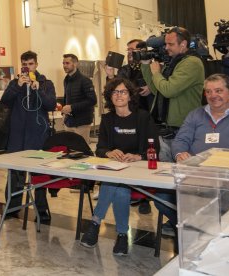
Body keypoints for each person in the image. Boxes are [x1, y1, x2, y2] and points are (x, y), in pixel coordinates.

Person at [80, 78, 159, 256]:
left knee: (114, 184)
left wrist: (138, 156)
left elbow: (155, 149)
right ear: (110, 96)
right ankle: (122, 235)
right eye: (115, 92)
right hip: (115, 170)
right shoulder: (107, 119)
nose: (119, 95)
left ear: (130, 95)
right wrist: (108, 152)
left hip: (138, 170)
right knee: (119, 187)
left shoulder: (143, 117)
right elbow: (100, 148)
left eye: (123, 91)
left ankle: (95, 223)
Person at [154, 73, 229, 233]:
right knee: (162, 197)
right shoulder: (196, 114)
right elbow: (180, 140)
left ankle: (209, 232)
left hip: (227, 180)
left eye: (218, 90)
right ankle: (198, 229)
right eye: (209, 92)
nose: (213, 96)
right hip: (195, 176)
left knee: (219, 205)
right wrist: (179, 153)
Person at [1, 50, 56, 221]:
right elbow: (5, 101)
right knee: (15, 174)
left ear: (36, 65)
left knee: (39, 176)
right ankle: (12, 206)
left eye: (31, 64)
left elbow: (51, 104)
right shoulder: (14, 83)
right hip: (18, 136)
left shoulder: (46, 83)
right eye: (24, 65)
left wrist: (38, 90)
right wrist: (17, 86)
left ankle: (41, 209)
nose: (27, 67)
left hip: (38, 136)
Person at [141, 27, 204, 162]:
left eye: (170, 44)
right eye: (165, 44)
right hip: (164, 130)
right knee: (164, 176)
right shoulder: (173, 62)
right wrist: (146, 66)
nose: (166, 48)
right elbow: (156, 89)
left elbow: (169, 90)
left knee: (184, 174)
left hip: (183, 130)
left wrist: (157, 73)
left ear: (183, 44)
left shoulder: (192, 62)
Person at [105, 39, 155, 214]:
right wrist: (111, 76)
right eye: (128, 50)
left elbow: (163, 87)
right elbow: (117, 88)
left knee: (144, 153)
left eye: (132, 50)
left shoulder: (152, 66)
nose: (129, 53)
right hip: (125, 116)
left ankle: (145, 198)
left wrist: (152, 84)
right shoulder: (125, 69)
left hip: (147, 115)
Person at [62, 53, 97, 144]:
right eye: (63, 63)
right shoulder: (66, 80)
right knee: (69, 150)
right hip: (69, 121)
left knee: (82, 151)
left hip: (82, 123)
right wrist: (64, 112)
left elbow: (92, 100)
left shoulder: (85, 80)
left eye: (67, 63)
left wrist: (72, 107)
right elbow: (67, 98)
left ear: (75, 64)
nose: (65, 66)